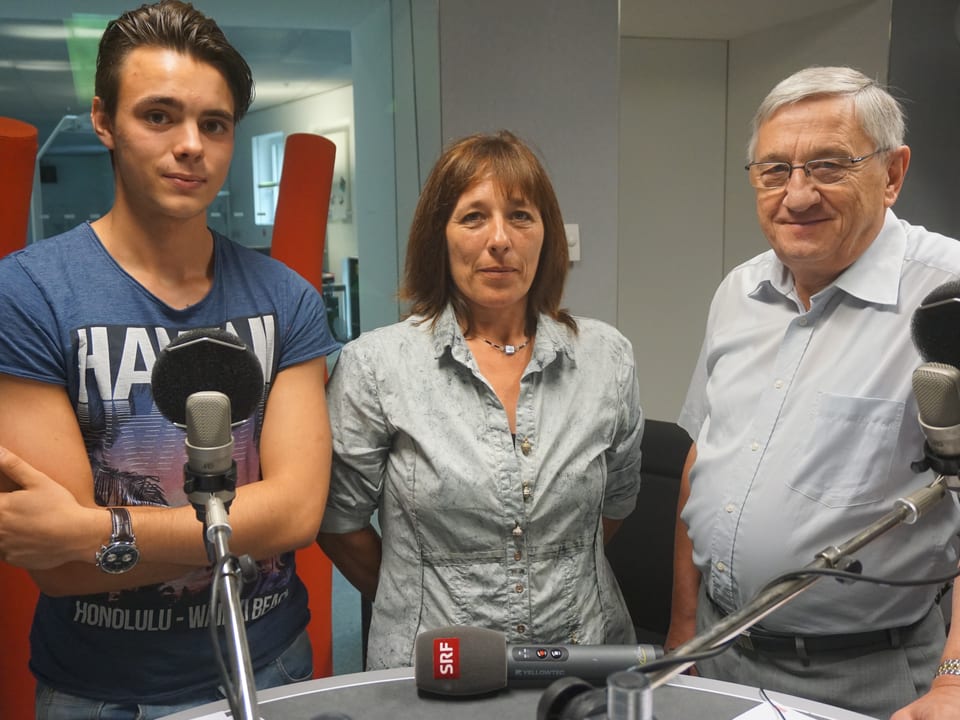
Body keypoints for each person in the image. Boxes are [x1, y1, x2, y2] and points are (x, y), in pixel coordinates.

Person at [0, 1, 338, 717]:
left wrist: (104, 530)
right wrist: (238, 527)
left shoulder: (287, 299)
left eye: (213, 124)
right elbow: (58, 567)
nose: (191, 144)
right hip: (101, 692)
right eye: (159, 116)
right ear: (103, 121)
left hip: (270, 668)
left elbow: (297, 514)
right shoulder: (29, 293)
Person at [666, 65, 960, 719]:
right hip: (720, 654)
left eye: (828, 166)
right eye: (774, 171)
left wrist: (957, 681)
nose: (796, 196)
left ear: (892, 172)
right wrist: (685, 630)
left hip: (864, 678)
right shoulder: (738, 292)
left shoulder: (950, 299)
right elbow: (703, 461)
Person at [317, 130, 644, 669]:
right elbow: (340, 523)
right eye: (473, 217)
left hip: (582, 654)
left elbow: (617, 503)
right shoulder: (377, 366)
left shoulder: (606, 357)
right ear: (438, 238)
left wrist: (547, 573)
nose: (499, 239)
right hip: (437, 664)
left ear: (547, 235)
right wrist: (413, 596)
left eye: (520, 216)